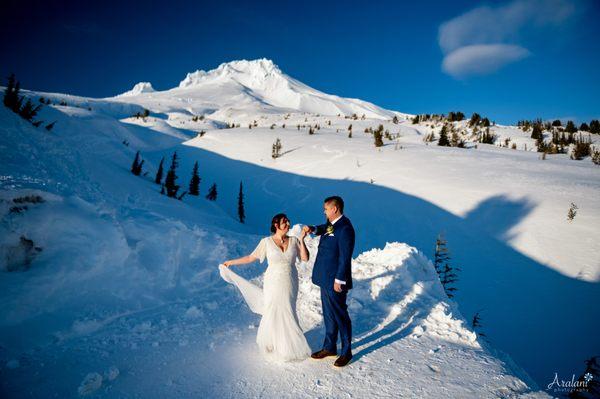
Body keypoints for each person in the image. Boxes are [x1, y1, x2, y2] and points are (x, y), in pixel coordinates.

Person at [220, 213, 311, 361]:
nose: (287, 224)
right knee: (273, 309)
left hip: (290, 280)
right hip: (273, 281)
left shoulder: (294, 240)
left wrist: (302, 239)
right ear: (276, 225)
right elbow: (250, 257)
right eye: (284, 222)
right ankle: (272, 343)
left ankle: (288, 345)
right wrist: (231, 262)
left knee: (288, 308)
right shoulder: (266, 242)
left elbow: (305, 258)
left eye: (288, 222)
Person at [302, 195, 355, 367]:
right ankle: (329, 347)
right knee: (328, 314)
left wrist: (339, 279)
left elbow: (345, 258)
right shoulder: (334, 224)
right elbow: (327, 228)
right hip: (325, 278)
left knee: (340, 315)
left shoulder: (345, 228)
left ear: (334, 209)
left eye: (325, 209)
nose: (324, 211)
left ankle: (347, 351)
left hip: (335, 280)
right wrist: (313, 229)